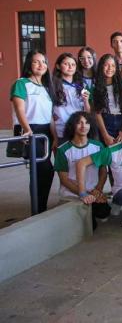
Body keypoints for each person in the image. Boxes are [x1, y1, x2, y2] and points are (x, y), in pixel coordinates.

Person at [10, 50, 55, 213]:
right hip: (30, 130)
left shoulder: (45, 88)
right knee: (40, 170)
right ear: (29, 65)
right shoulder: (21, 83)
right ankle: (37, 209)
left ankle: (41, 207)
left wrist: (54, 136)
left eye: (43, 62)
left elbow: (49, 115)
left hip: (45, 132)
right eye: (36, 61)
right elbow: (19, 108)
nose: (41, 65)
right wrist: (27, 129)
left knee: (47, 171)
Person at [55, 111, 110, 230]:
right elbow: (64, 180)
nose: (83, 126)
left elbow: (103, 171)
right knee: (90, 227)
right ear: (72, 126)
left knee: (104, 212)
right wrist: (82, 193)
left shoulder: (98, 146)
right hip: (72, 194)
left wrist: (98, 190)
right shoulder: (62, 150)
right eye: (79, 123)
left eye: (86, 123)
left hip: (92, 192)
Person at [51, 52, 91, 147]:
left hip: (79, 129)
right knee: (62, 159)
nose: (70, 67)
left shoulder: (82, 84)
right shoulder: (52, 85)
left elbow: (88, 111)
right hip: (61, 129)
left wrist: (86, 101)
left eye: (73, 64)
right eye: (66, 64)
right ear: (58, 66)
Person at [93, 54, 122, 147]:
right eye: (106, 65)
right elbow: (97, 112)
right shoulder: (96, 87)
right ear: (101, 67)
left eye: (113, 65)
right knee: (107, 155)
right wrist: (105, 135)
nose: (110, 68)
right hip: (105, 122)